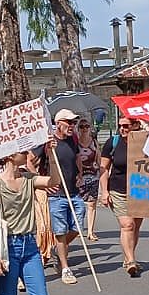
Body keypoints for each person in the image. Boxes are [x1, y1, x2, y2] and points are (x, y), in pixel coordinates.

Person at [0, 141, 61, 295]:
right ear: (9, 155)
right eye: (22, 150)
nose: (28, 152)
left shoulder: (28, 178)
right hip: (7, 247)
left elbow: (54, 182)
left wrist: (51, 155)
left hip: (30, 247)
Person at [33, 108, 85, 285]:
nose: (72, 126)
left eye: (74, 122)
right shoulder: (48, 142)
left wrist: (80, 173)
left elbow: (77, 157)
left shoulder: (72, 140)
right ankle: (65, 268)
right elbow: (29, 161)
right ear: (58, 123)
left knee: (78, 227)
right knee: (60, 231)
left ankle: (56, 248)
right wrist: (40, 182)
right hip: (56, 195)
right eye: (69, 122)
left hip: (74, 192)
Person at [98, 116, 143, 276]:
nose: (122, 129)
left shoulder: (145, 140)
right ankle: (131, 261)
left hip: (140, 190)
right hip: (118, 190)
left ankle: (129, 255)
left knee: (135, 226)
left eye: (126, 126)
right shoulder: (113, 142)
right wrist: (104, 191)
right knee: (127, 225)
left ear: (136, 125)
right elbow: (103, 168)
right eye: (120, 126)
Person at [76, 118, 100, 241]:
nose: (85, 129)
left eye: (87, 126)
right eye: (82, 127)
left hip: (93, 175)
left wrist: (99, 173)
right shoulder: (75, 143)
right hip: (79, 176)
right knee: (79, 203)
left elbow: (98, 159)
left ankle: (90, 231)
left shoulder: (94, 143)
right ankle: (78, 228)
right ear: (78, 129)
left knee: (92, 204)